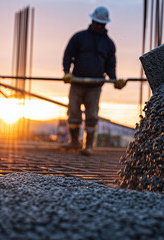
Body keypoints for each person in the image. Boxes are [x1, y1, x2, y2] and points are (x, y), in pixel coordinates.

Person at [62, 6, 122, 156]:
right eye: (97, 23)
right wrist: (66, 72)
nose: (99, 26)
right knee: (74, 112)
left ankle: (88, 146)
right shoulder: (79, 37)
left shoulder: (109, 44)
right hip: (77, 82)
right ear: (92, 21)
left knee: (92, 115)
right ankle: (74, 141)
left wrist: (114, 79)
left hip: (95, 86)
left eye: (102, 24)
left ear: (105, 25)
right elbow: (68, 55)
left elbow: (110, 64)